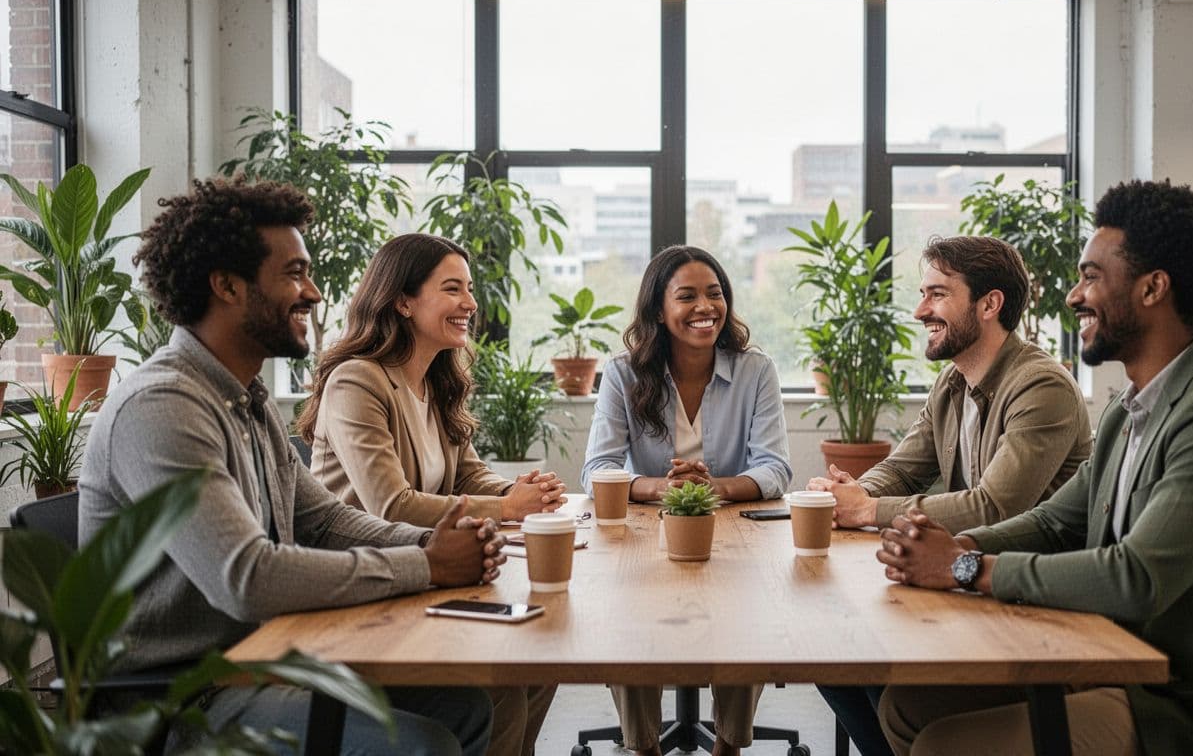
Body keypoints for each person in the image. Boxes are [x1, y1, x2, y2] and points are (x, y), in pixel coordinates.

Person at [79, 178, 506, 756]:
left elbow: (326, 521)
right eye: (293, 274)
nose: (313, 292)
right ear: (227, 286)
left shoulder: (245, 399)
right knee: (425, 744)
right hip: (184, 697)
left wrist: (437, 540)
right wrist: (426, 564)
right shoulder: (163, 406)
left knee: (467, 706)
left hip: (270, 655)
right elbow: (247, 578)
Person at [874, 179, 1193, 756]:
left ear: (1153, 288)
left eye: (1092, 277)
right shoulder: (1132, 408)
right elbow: (1054, 522)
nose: (1075, 296)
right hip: (1104, 654)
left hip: (1184, 695)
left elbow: (1136, 578)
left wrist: (967, 567)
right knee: (906, 706)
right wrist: (953, 542)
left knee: (944, 745)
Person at [809, 235, 1092, 756]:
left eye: (937, 295)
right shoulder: (953, 382)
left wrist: (867, 510)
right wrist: (848, 492)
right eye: (923, 294)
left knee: (865, 664)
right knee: (835, 656)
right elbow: (904, 467)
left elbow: (996, 506)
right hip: (966, 580)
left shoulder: (1041, 385)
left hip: (1031, 597)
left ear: (989, 304)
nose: (920, 311)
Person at [296, 232, 561, 756]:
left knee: (542, 660)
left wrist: (518, 489)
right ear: (402, 300)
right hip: (370, 583)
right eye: (453, 289)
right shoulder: (357, 380)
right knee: (504, 681)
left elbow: (467, 476)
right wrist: (508, 508)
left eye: (469, 289)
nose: (470, 303)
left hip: (427, 575)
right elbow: (391, 505)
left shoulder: (435, 378)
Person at [581, 245, 793, 756]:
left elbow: (776, 468)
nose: (706, 306)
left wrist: (711, 488)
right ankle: (645, 747)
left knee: (746, 614)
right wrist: (661, 488)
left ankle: (728, 746)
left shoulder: (754, 370)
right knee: (630, 618)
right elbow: (596, 470)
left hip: (732, 535)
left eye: (715, 293)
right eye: (688, 296)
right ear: (658, 309)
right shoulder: (623, 373)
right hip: (645, 538)